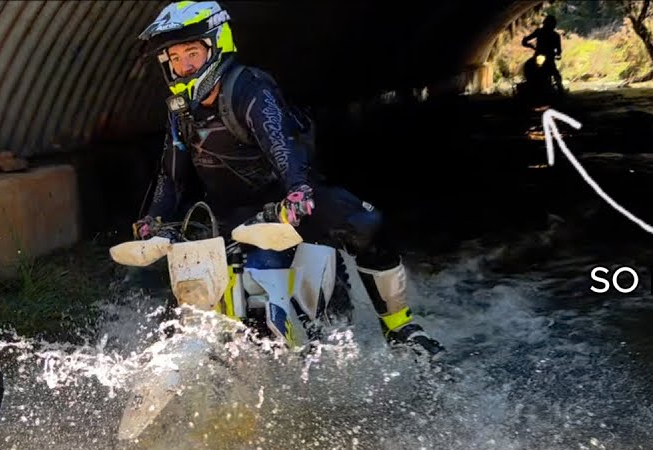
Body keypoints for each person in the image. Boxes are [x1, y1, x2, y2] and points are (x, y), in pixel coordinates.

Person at [133, 1, 445, 357]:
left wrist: (297, 192)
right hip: (230, 212)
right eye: (175, 58)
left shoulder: (249, 88)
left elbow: (281, 144)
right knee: (193, 290)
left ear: (216, 46)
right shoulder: (180, 109)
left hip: (288, 200)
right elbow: (170, 176)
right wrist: (154, 221)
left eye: (191, 52)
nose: (184, 66)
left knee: (366, 222)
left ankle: (399, 326)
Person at [522, 14, 564, 94]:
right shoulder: (551, 34)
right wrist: (529, 45)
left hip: (547, 58)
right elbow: (525, 40)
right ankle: (560, 90)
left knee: (556, 74)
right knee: (529, 66)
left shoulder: (551, 34)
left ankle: (560, 90)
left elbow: (559, 50)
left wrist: (558, 55)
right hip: (541, 56)